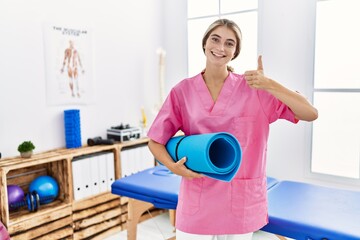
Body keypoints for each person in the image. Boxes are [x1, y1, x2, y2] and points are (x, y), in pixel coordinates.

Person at [147, 18, 318, 240]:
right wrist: (174, 167)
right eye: (215, 39)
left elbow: (310, 113)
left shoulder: (254, 89)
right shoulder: (182, 91)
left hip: (241, 204)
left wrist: (270, 84)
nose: (220, 47)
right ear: (205, 43)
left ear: (235, 51)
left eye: (229, 43)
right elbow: (155, 140)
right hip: (198, 201)